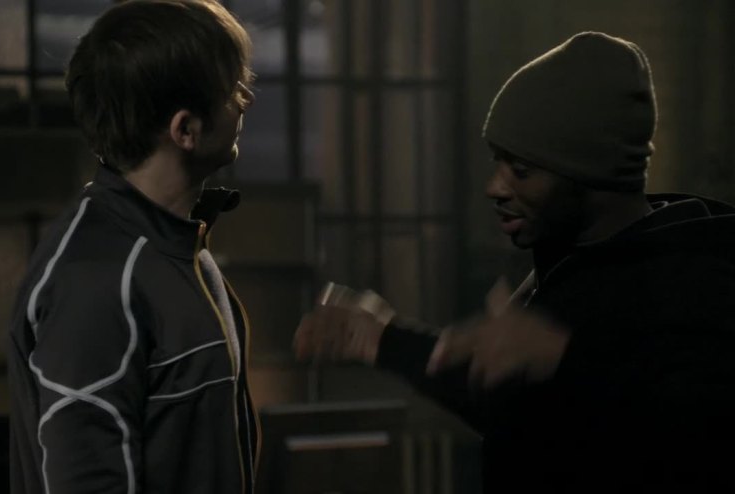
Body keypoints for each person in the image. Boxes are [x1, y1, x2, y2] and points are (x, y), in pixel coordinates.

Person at [294, 31, 735, 493]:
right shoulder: (570, 261)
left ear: (588, 174)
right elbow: (517, 402)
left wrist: (564, 358)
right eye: (498, 163)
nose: (495, 187)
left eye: (521, 171)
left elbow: (694, 438)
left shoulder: (693, 278)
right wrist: (384, 339)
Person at [8, 1, 260, 493]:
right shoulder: (96, 282)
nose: (247, 100)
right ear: (185, 130)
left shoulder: (176, 245)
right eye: (233, 89)